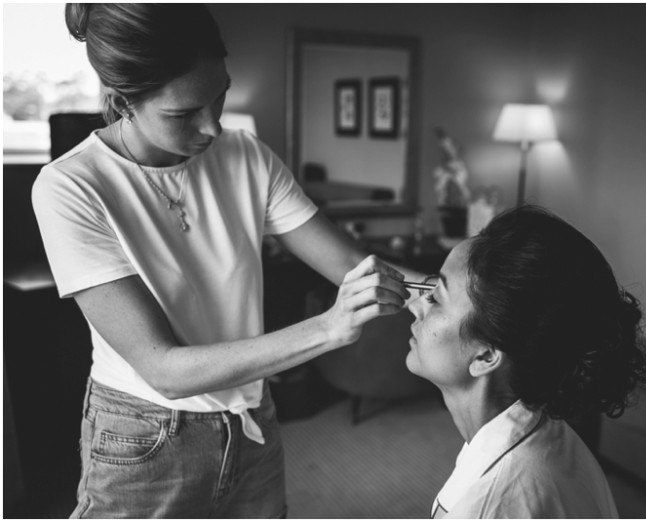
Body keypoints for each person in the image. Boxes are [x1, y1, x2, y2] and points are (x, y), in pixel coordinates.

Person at [32, 4, 417, 518]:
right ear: (124, 101)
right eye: (183, 113)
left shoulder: (247, 156)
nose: (212, 127)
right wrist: (328, 328)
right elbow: (163, 368)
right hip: (145, 433)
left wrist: (455, 289)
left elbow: (351, 262)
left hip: (251, 417)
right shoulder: (71, 188)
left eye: (220, 96)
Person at [405, 205, 646, 518]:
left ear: (486, 355)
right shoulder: (550, 434)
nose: (417, 306)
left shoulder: (489, 508)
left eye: (436, 298)